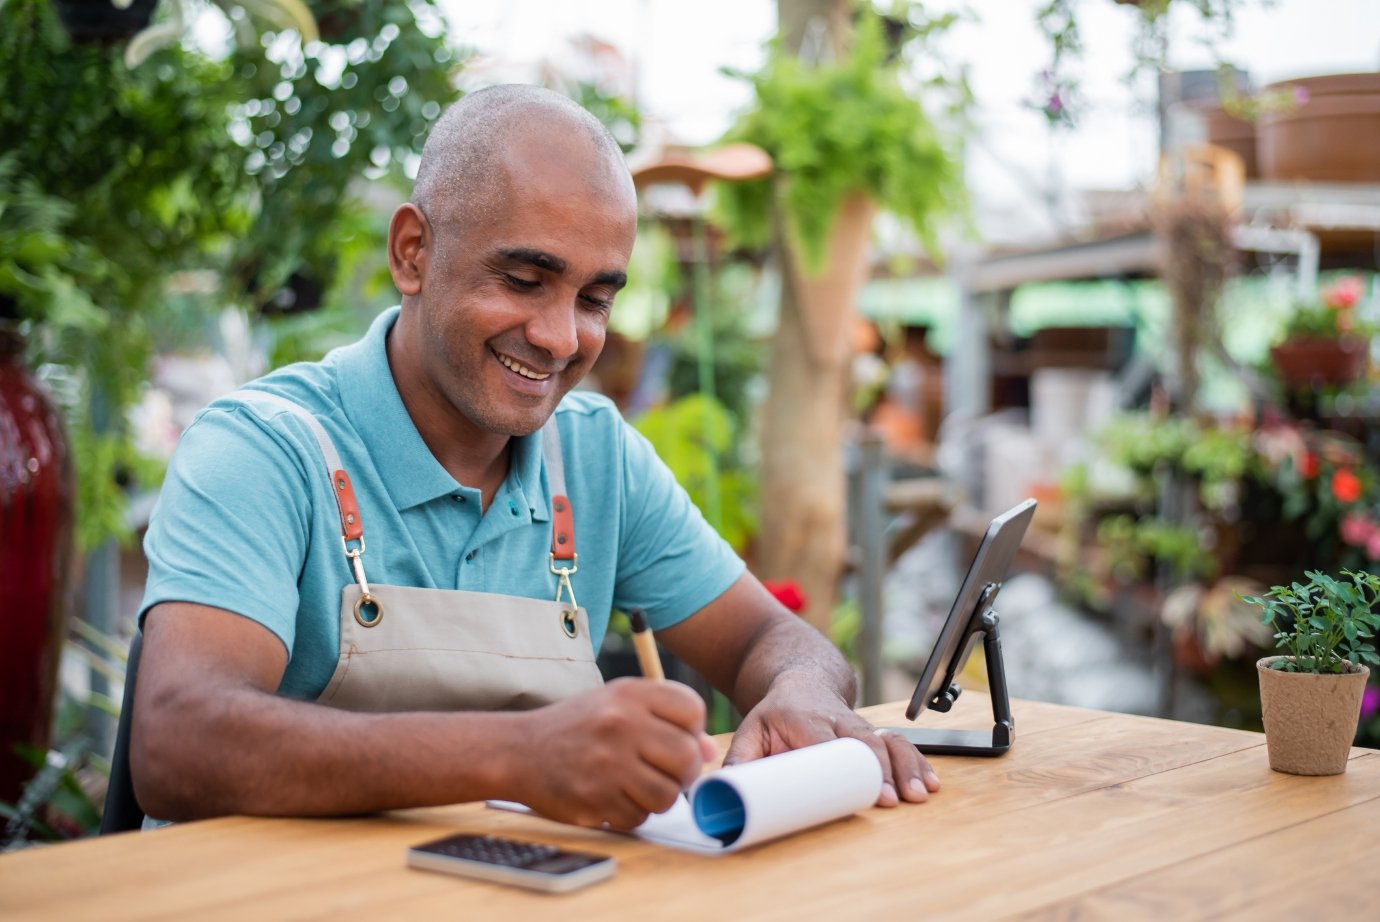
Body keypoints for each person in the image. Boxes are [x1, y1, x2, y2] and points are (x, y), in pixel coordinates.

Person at [133, 84, 940, 829]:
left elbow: (778, 639)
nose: (560, 338)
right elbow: (178, 742)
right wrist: (520, 755)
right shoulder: (267, 449)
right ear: (412, 252)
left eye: (595, 299)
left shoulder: (595, 460)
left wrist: (799, 694)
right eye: (524, 279)